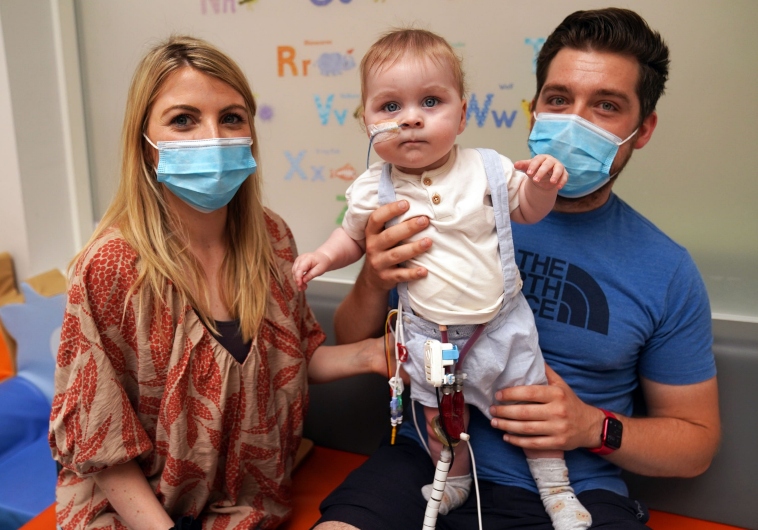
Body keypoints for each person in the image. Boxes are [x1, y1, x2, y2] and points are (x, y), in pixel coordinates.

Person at [315, 8, 720, 530]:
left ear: (642, 130)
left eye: (606, 106)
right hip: (426, 461)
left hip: (581, 488)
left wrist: (592, 428)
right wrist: (374, 271)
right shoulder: (446, 198)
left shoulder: (665, 269)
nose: (574, 122)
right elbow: (360, 343)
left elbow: (695, 446)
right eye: (558, 100)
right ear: (534, 111)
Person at [48, 35, 385, 530]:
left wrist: (376, 353)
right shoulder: (110, 265)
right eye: (183, 120)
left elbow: (291, 357)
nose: (215, 137)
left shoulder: (273, 239)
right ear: (145, 144)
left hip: (247, 505)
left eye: (231, 118)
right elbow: (102, 443)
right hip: (128, 512)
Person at [294, 28, 593, 528]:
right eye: (389, 107)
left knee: (532, 410)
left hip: (502, 330)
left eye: (430, 101)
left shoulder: (488, 169)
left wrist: (541, 187)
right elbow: (351, 237)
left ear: (462, 114)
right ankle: (452, 480)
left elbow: (527, 211)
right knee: (439, 419)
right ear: (366, 122)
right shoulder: (373, 187)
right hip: (431, 335)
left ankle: (556, 489)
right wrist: (323, 258)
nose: (410, 118)